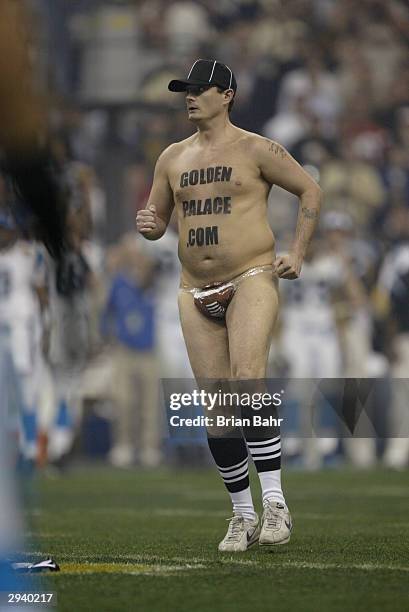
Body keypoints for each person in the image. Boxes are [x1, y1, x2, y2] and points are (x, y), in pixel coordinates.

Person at [136, 59, 322, 552]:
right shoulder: (171, 157)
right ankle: (242, 515)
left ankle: (276, 503)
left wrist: (298, 251)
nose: (189, 97)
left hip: (251, 275)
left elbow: (310, 189)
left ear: (228, 95)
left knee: (246, 383)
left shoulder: (257, 148)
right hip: (192, 286)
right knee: (217, 408)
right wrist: (151, 226)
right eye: (186, 90)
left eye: (200, 89)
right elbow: (157, 219)